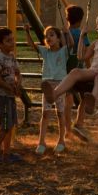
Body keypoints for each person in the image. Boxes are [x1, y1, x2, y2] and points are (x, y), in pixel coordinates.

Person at [24, 25, 71, 155]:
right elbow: (31, 45)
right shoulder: (45, 51)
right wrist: (28, 31)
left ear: (58, 38)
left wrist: (66, 34)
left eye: (52, 35)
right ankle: (41, 141)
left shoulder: (63, 51)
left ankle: (61, 140)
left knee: (60, 113)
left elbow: (71, 44)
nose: (48, 38)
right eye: (46, 36)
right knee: (45, 113)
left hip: (60, 85)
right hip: (48, 85)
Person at [0, 27, 23, 164]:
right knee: (4, 126)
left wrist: (18, 84)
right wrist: (9, 87)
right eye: (8, 41)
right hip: (1, 96)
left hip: (9, 96)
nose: (12, 43)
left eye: (12, 39)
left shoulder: (11, 56)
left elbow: (18, 72)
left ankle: (7, 152)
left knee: (11, 124)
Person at [64, 4, 91, 142]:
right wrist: (90, 68)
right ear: (80, 20)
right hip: (80, 71)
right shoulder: (82, 34)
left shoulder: (63, 33)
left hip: (66, 72)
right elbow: (86, 52)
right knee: (85, 97)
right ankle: (79, 123)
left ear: (67, 18)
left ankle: (67, 130)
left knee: (67, 101)